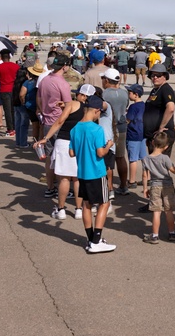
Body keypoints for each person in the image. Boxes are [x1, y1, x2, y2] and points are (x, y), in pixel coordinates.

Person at [69, 95, 116, 254]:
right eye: (99, 113)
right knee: (105, 203)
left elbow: (71, 152)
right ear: (96, 111)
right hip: (96, 172)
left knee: (86, 205)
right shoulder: (97, 130)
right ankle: (96, 240)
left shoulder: (75, 128)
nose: (99, 116)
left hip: (82, 172)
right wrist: (109, 145)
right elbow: (100, 153)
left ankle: (90, 239)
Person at [37, 84, 91, 220]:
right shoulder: (90, 110)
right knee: (77, 178)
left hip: (65, 142)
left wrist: (46, 137)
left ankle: (61, 209)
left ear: (82, 95)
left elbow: (60, 121)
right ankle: (78, 209)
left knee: (64, 178)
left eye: (77, 93)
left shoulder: (72, 104)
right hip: (80, 144)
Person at [140, 132, 175, 244]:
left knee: (156, 211)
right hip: (167, 186)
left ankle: (155, 235)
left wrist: (145, 188)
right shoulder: (165, 158)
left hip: (154, 186)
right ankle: (172, 233)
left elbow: (144, 176)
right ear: (166, 146)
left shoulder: (146, 159)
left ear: (152, 142)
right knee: (168, 210)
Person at [37, 55, 74, 200]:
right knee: (61, 158)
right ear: (65, 66)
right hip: (60, 122)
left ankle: (50, 187)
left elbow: (39, 98)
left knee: (50, 157)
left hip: (47, 121)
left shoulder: (45, 79)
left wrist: (43, 111)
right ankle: (62, 189)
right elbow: (69, 105)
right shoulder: (62, 83)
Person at [100, 68, 130, 194]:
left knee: (107, 159)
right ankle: (123, 185)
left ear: (106, 80)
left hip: (108, 129)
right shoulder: (124, 93)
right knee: (120, 157)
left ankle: (108, 187)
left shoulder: (104, 94)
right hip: (122, 127)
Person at [124, 84, 147, 187]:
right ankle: (147, 177)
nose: (128, 95)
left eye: (130, 93)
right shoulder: (144, 105)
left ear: (136, 94)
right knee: (144, 158)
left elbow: (128, 120)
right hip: (142, 134)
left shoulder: (133, 107)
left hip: (133, 135)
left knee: (133, 159)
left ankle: (132, 181)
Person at [0, 50, 20, 136]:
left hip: (4, 89)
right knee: (14, 110)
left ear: (1, 57)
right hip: (14, 89)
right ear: (9, 57)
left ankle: (10, 129)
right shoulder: (16, 66)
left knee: (7, 110)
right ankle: (16, 127)